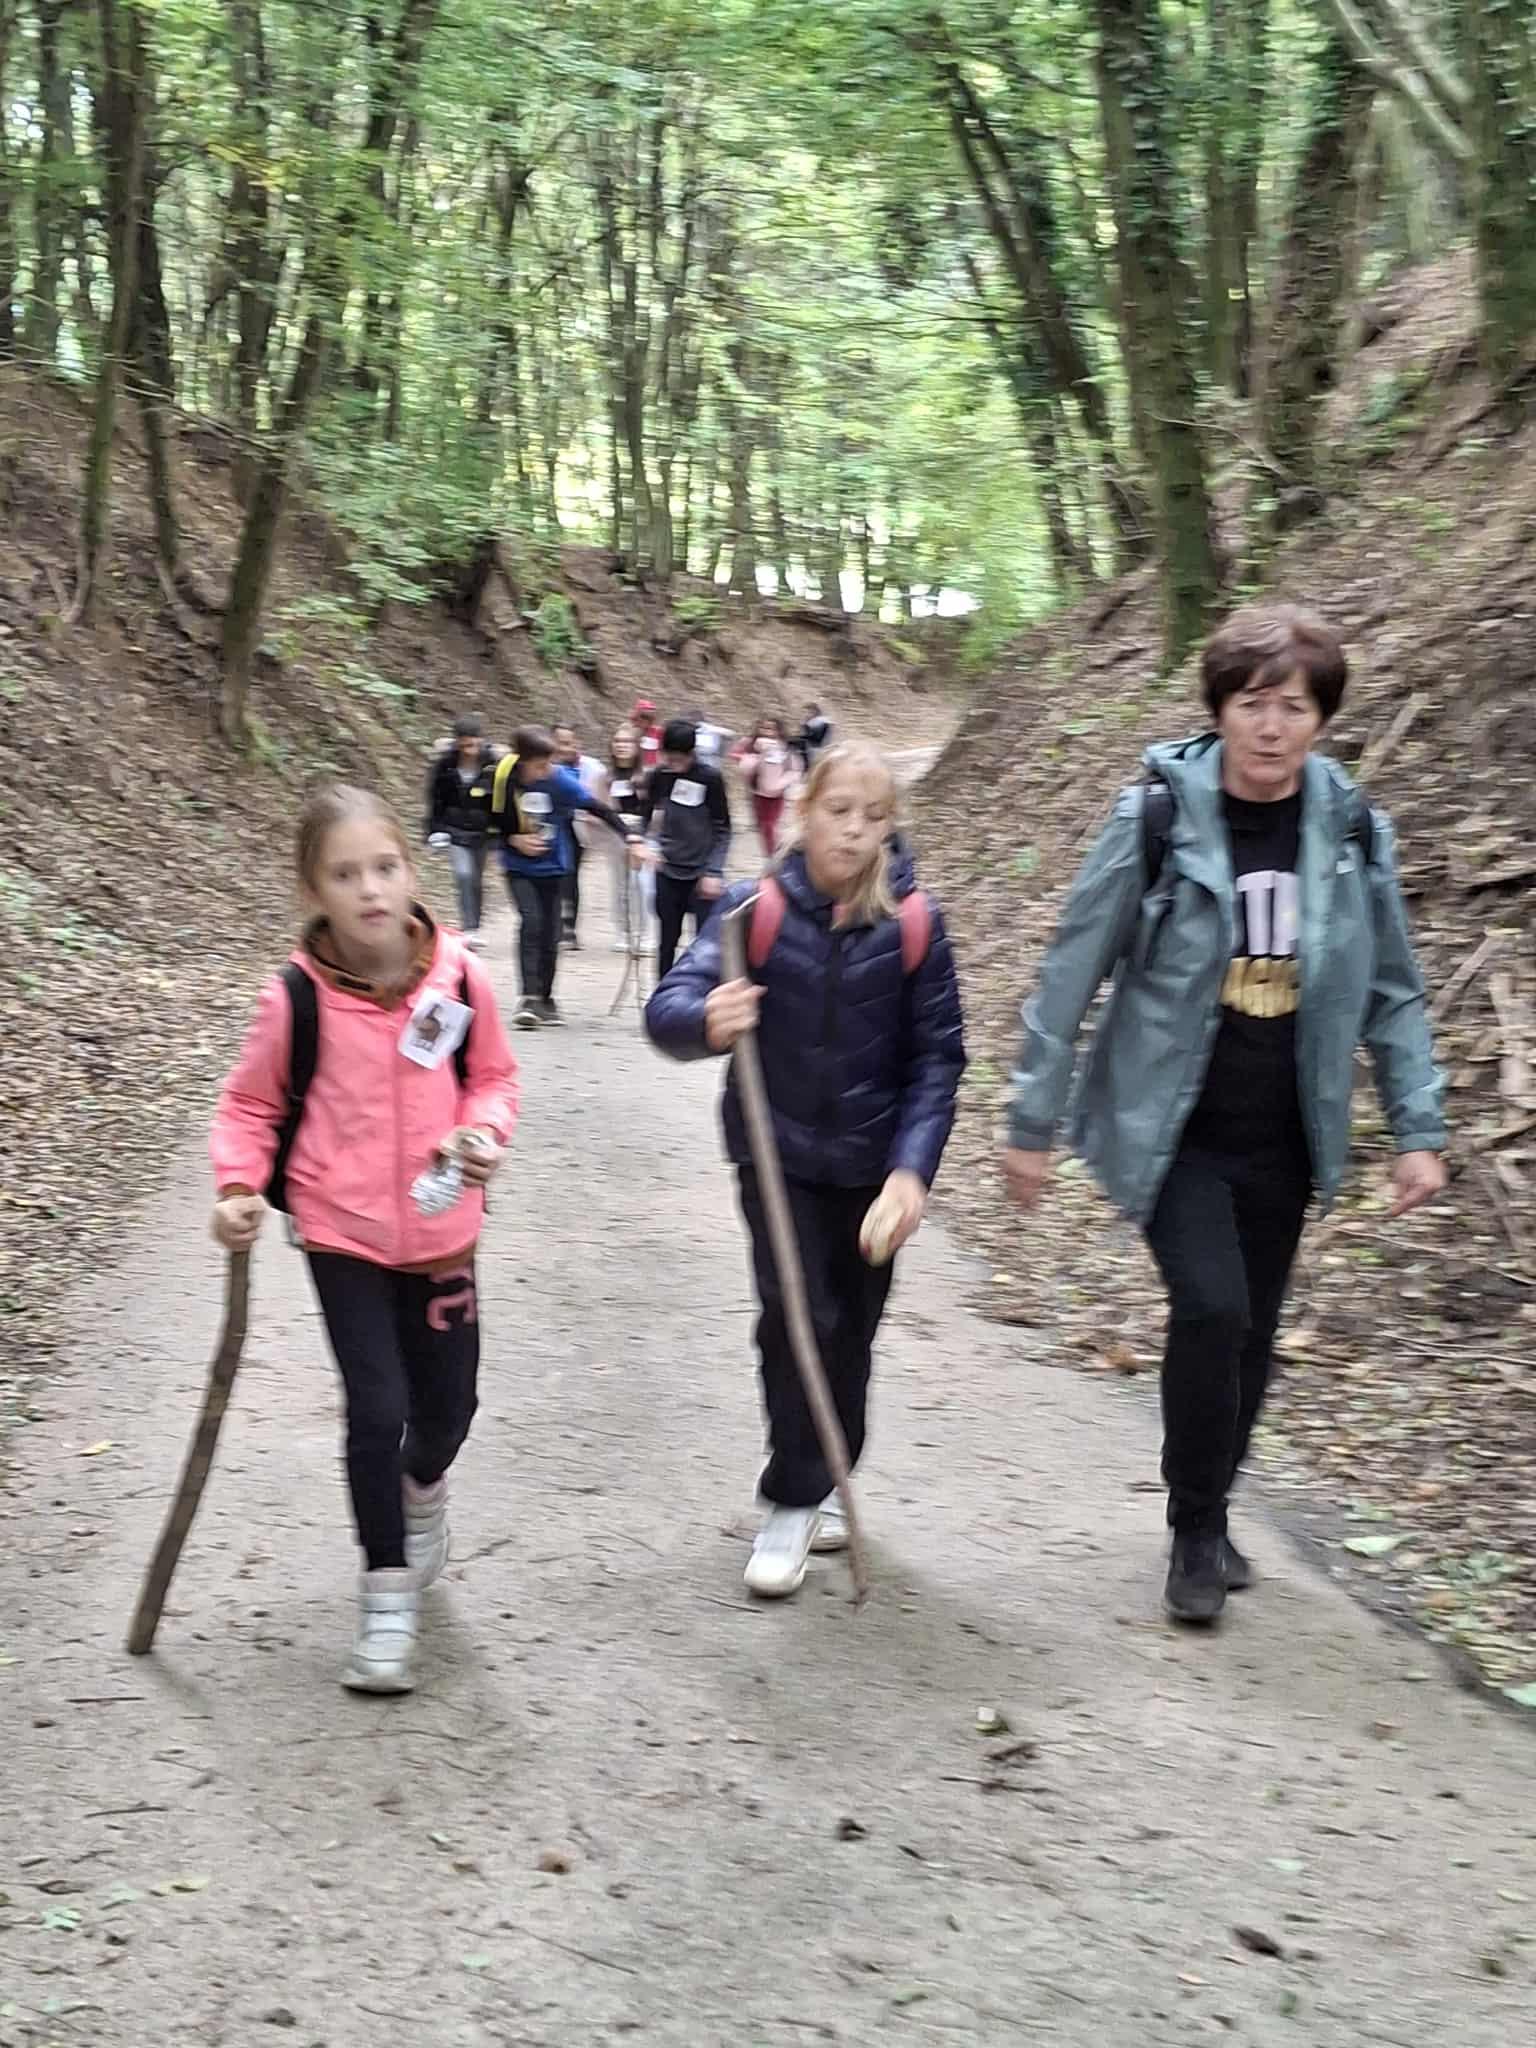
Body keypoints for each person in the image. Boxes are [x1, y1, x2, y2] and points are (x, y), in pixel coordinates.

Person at [1001, 604, 1447, 1625]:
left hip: (1287, 1128)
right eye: (1252, 703)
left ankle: (1210, 1505)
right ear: (1219, 709)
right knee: (1213, 1308)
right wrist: (1031, 1119)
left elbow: (1392, 988)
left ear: (1321, 719)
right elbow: (1071, 969)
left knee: (1253, 1334)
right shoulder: (1155, 818)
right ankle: (1194, 1526)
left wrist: (1419, 1129)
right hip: (1175, 1126)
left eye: (1294, 706)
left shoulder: (1350, 829)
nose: (1271, 725)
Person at [209, 785, 520, 1694]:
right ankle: (386, 1594)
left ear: (410, 872)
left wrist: (483, 1131)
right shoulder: (293, 999)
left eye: (384, 868)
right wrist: (238, 1186)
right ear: (313, 890)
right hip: (339, 1232)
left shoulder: (458, 978)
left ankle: (423, 1488)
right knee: (375, 1408)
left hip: (442, 1230)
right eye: (344, 875)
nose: (370, 889)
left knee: (448, 1408)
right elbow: (251, 1104)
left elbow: (493, 1077)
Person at [645, 742, 966, 1598]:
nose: (854, 831)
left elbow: (938, 1059)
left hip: (872, 1171)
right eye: (838, 811)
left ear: (891, 827)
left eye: (874, 816)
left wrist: (911, 1172)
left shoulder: (914, 924)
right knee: (797, 1321)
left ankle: (826, 1473)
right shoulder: (753, 910)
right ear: (804, 813)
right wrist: (705, 1019)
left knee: (849, 1330)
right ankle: (790, 1499)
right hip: (776, 1155)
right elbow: (668, 1005)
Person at [491, 725, 639, 1028]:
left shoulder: (559, 781)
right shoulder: (502, 778)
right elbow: (486, 818)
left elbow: (597, 808)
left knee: (550, 932)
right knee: (531, 922)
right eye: (540, 765)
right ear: (522, 761)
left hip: (553, 868)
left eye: (549, 763)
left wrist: (631, 837)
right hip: (518, 867)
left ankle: (546, 999)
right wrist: (512, 839)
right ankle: (528, 998)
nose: (546, 770)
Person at [640, 717, 733, 978]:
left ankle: (699, 991)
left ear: (692, 753)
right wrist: (643, 843)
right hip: (667, 869)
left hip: (701, 873)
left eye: (680, 758)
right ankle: (662, 993)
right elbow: (644, 815)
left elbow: (724, 829)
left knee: (703, 943)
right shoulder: (659, 776)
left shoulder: (710, 778)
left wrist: (713, 871)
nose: (675, 764)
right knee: (666, 940)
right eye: (669, 758)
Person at [424, 716, 498, 948]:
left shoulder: (492, 765)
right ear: (457, 743)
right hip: (454, 830)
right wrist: (433, 830)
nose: (469, 750)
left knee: (476, 879)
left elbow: (502, 799)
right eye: (464, 745)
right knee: (463, 875)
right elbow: (435, 800)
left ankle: (475, 923)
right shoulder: (444, 766)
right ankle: (469, 928)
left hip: (482, 832)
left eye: (473, 744)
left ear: (480, 741)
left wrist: (501, 830)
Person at [552, 723, 606, 950]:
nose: (565, 748)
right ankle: (554, 927)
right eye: (560, 743)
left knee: (570, 876)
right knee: (553, 877)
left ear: (577, 744)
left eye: (569, 743)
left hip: (576, 827)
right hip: (549, 827)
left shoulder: (590, 767)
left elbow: (597, 799)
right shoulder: (542, 768)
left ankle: (569, 928)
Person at [602, 725, 652, 953]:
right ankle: (623, 932)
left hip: (642, 835)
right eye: (617, 741)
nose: (621, 746)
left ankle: (646, 933)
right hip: (615, 834)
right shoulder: (605, 778)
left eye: (627, 742)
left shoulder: (648, 776)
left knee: (641, 884)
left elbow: (654, 809)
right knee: (620, 885)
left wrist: (640, 831)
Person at [733, 715, 800, 856]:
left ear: (779, 731)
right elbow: (738, 757)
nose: (767, 731)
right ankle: (772, 853)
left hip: (777, 795)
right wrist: (751, 759)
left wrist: (781, 784)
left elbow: (794, 769)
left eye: (771, 728)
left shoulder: (785, 748)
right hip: (757, 793)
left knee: (770, 825)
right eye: (764, 728)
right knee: (763, 826)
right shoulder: (751, 744)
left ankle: (777, 853)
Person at [794, 702, 833, 773]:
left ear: (814, 711)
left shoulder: (821, 721)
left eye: (808, 712)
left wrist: (804, 727)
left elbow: (817, 738)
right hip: (813, 749)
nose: (806, 715)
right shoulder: (813, 722)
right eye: (805, 713)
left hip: (818, 750)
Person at [632, 698, 664, 772]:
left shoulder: (658, 732)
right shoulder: (631, 731)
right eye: (644, 716)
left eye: (650, 717)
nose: (646, 720)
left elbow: (663, 751)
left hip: (653, 769)